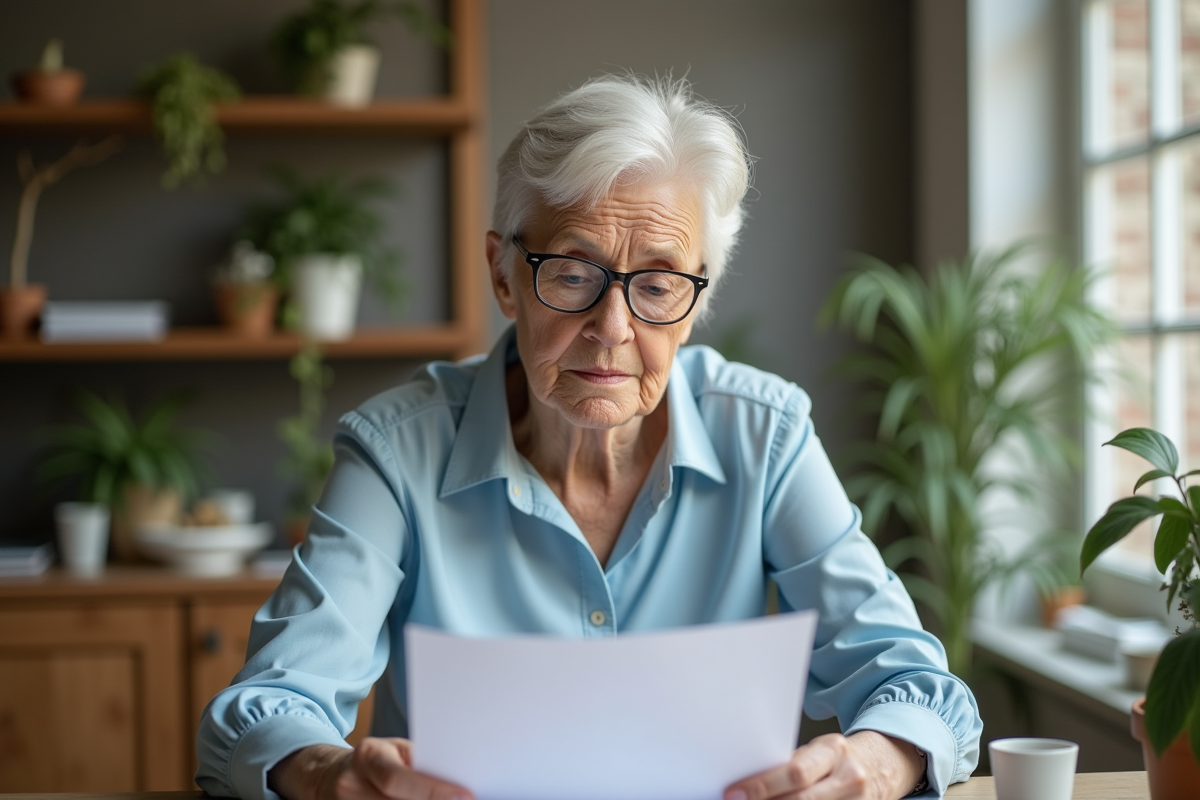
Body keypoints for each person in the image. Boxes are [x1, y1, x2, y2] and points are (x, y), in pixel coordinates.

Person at [196, 74, 982, 800]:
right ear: (503, 274)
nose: (613, 328)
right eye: (572, 273)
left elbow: (918, 687)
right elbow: (268, 705)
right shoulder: (398, 450)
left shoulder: (764, 435)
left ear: (697, 298)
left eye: (659, 283)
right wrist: (330, 775)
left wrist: (872, 764)